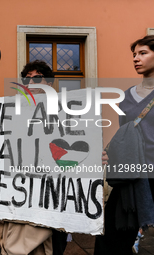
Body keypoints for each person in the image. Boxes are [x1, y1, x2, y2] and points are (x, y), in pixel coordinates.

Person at [0, 60, 68, 255]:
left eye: (37, 78)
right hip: (19, 194)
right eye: (26, 79)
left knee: (50, 246)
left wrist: (95, 158)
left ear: (49, 83)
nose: (31, 82)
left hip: (50, 197)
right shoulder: (11, 110)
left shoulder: (65, 111)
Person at [94, 35, 154, 255]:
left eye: (143, 53)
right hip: (130, 176)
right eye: (134, 55)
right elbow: (124, 134)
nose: (136, 59)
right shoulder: (126, 96)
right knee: (110, 234)